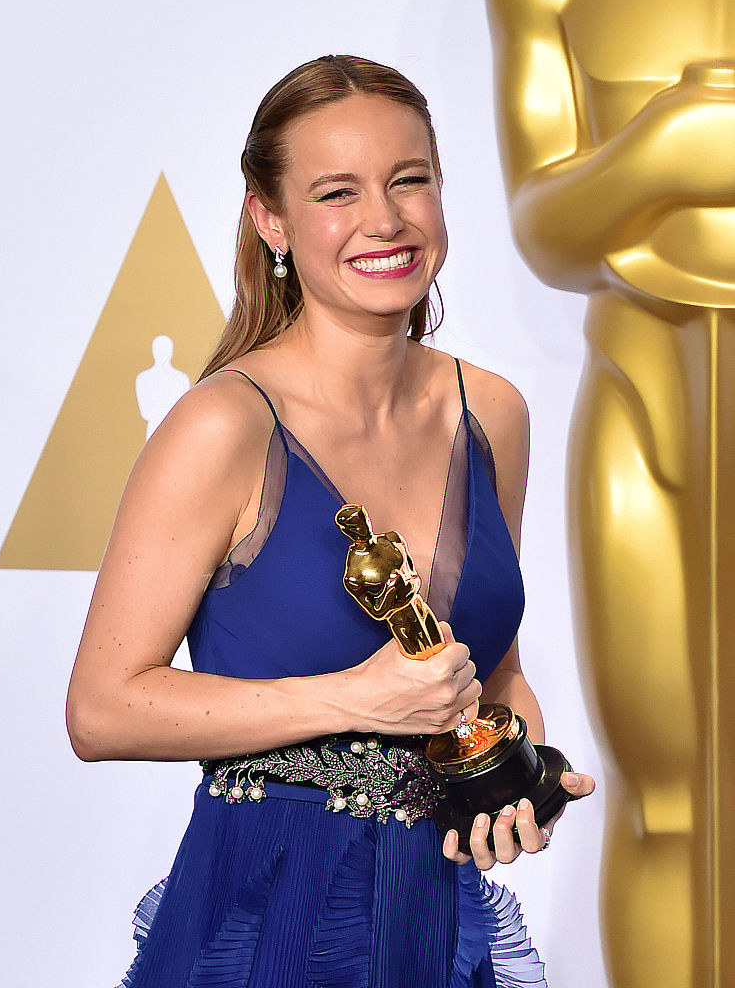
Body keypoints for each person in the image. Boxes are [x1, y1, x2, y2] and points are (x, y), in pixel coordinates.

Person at [66, 54, 594, 988]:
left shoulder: (493, 413)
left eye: (409, 180)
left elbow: (490, 665)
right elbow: (103, 709)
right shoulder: (223, 425)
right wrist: (352, 698)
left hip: (434, 920)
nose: (385, 221)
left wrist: (513, 776)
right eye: (336, 193)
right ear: (270, 219)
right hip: (269, 921)